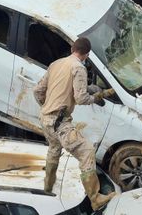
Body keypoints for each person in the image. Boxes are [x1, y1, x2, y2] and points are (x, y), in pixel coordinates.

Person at [34, 37, 116, 210]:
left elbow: (38, 90)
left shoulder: (56, 64)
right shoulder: (79, 68)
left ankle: (48, 186)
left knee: (54, 149)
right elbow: (81, 98)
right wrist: (97, 96)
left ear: (72, 48)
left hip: (45, 118)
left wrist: (47, 107)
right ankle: (95, 198)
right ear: (86, 55)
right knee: (86, 152)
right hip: (60, 123)